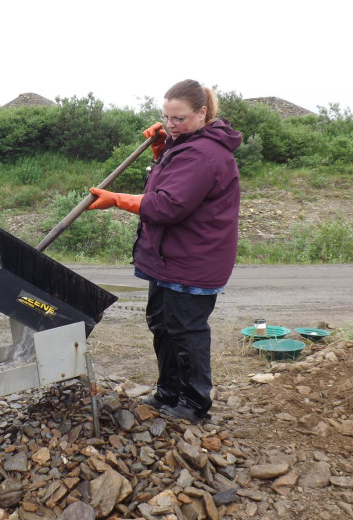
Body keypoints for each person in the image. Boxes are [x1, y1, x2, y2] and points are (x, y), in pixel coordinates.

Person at [88, 79, 241, 424]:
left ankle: (194, 403)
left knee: (185, 331)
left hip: (193, 259)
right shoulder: (185, 145)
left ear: (202, 113)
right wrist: (161, 152)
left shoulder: (205, 153)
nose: (171, 125)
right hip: (169, 257)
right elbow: (167, 183)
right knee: (162, 324)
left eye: (179, 119)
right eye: (166, 118)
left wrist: (117, 199)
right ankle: (169, 392)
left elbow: (168, 205)